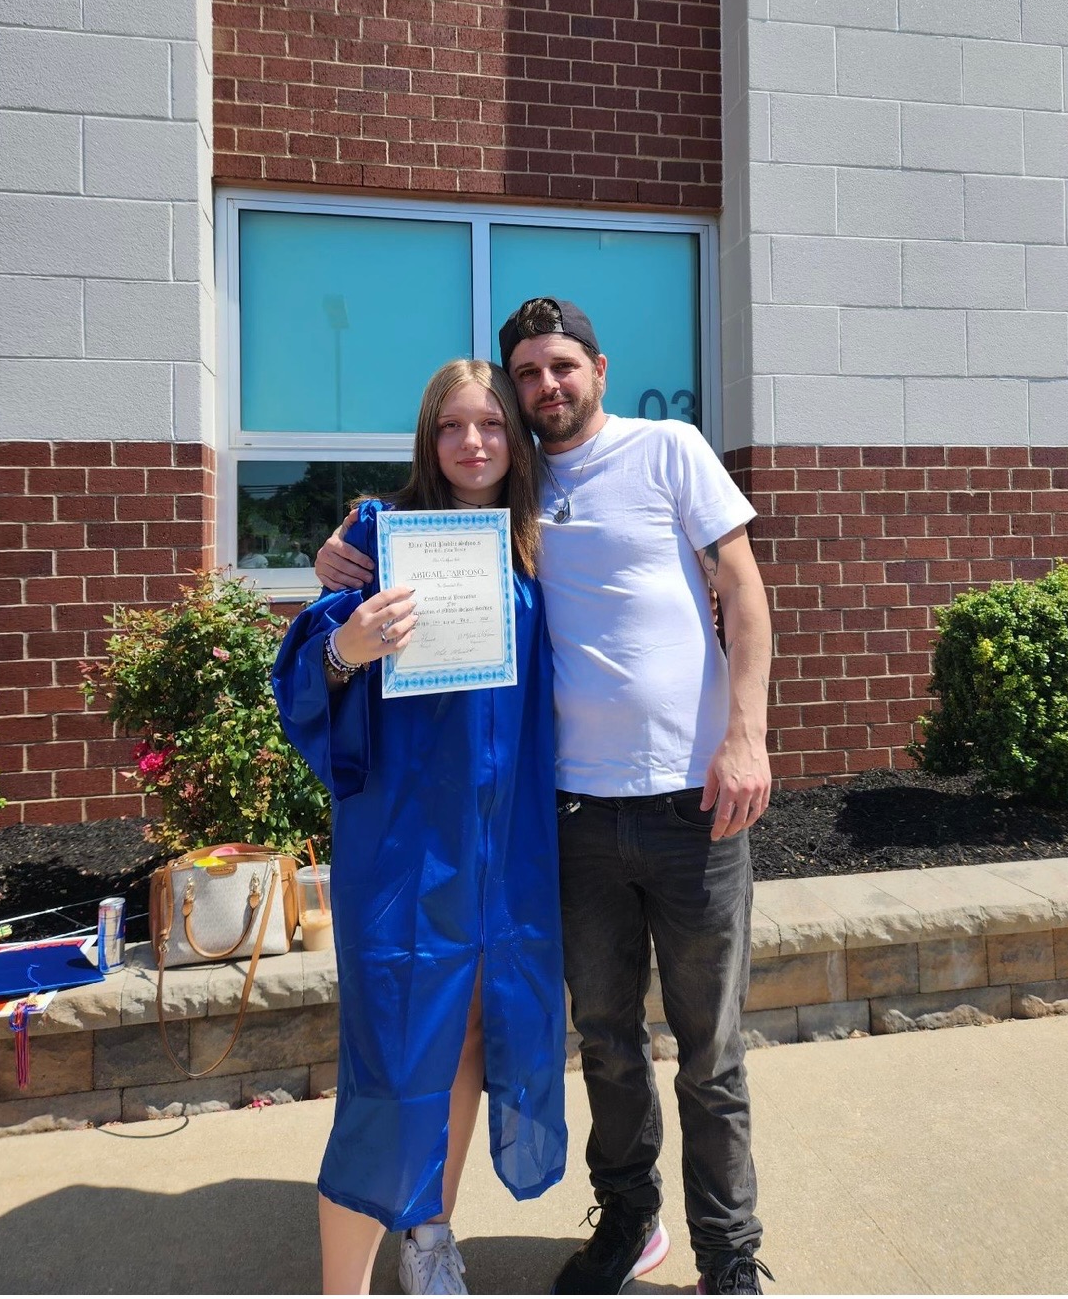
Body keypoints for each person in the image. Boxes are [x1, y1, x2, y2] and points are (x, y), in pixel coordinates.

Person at [315, 300, 775, 1296]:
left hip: (692, 804)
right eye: (525, 374)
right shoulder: (504, 509)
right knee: (604, 1041)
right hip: (572, 815)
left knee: (709, 1051)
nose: (543, 388)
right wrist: (341, 565)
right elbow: (369, 582)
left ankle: (731, 1258)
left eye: (559, 366)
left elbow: (742, 590)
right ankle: (630, 1220)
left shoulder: (666, 449)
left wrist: (746, 735)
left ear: (598, 368)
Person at [274, 358, 567, 1297]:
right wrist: (345, 648)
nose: (472, 442)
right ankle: (344, 1287)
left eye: (491, 423)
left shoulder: (533, 544)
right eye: (451, 425)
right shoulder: (380, 533)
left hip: (506, 842)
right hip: (408, 843)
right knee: (393, 1059)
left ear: (515, 438)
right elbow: (307, 675)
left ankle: (430, 1232)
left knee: (474, 1033)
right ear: (426, 438)